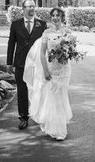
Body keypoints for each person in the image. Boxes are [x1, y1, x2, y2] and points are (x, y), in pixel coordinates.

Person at [23, 8, 73, 141]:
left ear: (62, 17)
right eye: (53, 15)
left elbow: (71, 50)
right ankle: (56, 129)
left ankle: (59, 125)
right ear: (51, 18)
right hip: (50, 69)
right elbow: (42, 53)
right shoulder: (46, 33)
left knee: (61, 96)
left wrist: (67, 53)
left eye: (58, 15)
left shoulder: (67, 32)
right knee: (52, 97)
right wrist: (45, 70)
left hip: (64, 69)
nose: (56, 17)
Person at [7, 0, 47, 130]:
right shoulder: (16, 24)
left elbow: (46, 45)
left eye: (33, 6)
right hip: (20, 63)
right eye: (29, 6)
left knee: (39, 89)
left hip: (37, 64)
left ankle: (40, 115)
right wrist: (9, 63)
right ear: (23, 9)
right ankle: (23, 118)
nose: (31, 9)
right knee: (22, 91)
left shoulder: (42, 24)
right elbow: (11, 44)